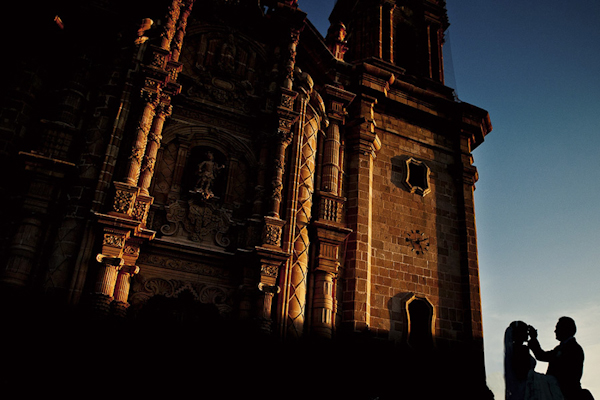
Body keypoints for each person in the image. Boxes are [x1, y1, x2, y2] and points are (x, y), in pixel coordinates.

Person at [529, 317, 590, 400]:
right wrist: (533, 339)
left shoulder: (574, 348)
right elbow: (541, 355)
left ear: (565, 329)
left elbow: (543, 356)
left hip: (568, 394)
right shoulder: (560, 348)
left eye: (557, 328)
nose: (555, 331)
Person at [504, 320, 564, 400]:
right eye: (526, 331)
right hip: (526, 388)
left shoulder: (514, 349)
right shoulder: (522, 350)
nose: (528, 334)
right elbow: (523, 372)